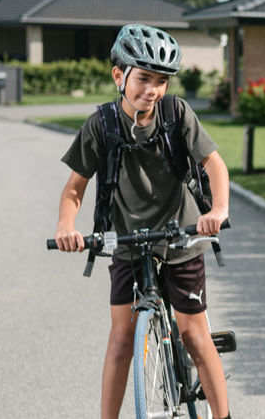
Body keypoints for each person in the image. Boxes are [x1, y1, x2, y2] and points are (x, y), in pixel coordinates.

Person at [53, 24, 233, 419]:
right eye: (143, 78)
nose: (151, 90)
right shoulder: (101, 125)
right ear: (120, 76)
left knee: (194, 335)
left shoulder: (176, 113)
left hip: (183, 239)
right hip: (128, 244)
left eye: (160, 81)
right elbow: (74, 188)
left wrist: (216, 211)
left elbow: (213, 164)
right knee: (120, 339)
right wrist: (66, 226)